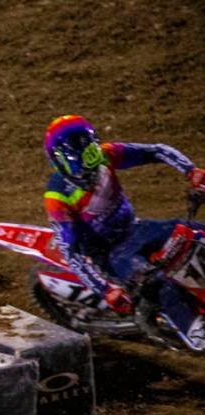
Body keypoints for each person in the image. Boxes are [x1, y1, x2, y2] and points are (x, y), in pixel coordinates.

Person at [43, 114, 205, 348]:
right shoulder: (57, 197)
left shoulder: (105, 155)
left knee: (196, 233)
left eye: (89, 150)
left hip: (135, 229)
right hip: (109, 253)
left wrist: (191, 171)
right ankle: (195, 332)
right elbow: (72, 253)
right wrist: (105, 289)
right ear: (60, 159)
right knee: (155, 283)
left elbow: (156, 151)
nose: (87, 162)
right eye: (79, 155)